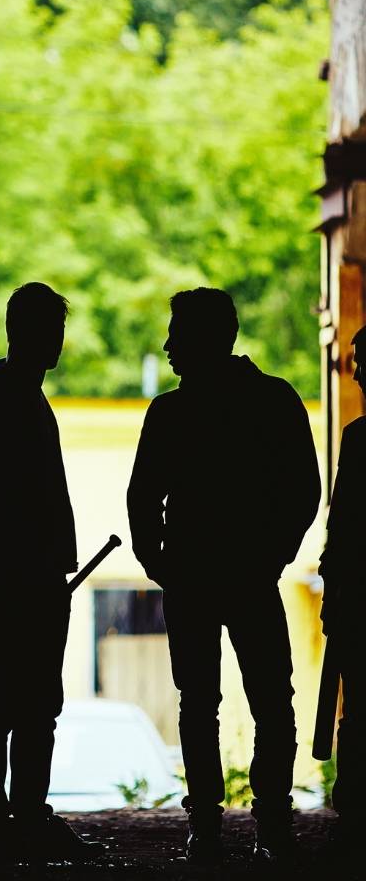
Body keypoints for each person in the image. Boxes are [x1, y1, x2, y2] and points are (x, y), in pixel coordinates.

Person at [127, 287, 320, 865]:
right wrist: (274, 554)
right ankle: (272, 822)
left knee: (197, 701)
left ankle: (207, 825)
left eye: (175, 334)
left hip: (191, 573)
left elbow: (142, 496)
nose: (166, 347)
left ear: (200, 340)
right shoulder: (273, 400)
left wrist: (156, 560)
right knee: (271, 698)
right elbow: (302, 491)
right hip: (249, 574)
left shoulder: (171, 412)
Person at [0, 282, 102, 864]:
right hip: (21, 568)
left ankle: (9, 813)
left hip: (19, 565)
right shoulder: (9, 396)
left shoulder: (6, 392)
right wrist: (35, 565)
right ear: (23, 332)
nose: (56, 343)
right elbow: (11, 494)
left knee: (17, 688)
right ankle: (13, 815)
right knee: (26, 691)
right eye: (48, 331)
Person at [319, 325, 366, 856]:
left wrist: (337, 590)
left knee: (357, 712)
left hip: (358, 598)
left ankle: (355, 811)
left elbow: (344, 527)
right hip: (356, 597)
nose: (355, 370)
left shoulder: (357, 440)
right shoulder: (355, 439)